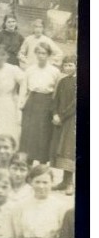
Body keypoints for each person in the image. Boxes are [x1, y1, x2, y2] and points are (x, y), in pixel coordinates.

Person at [19, 43, 61, 165]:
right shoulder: (30, 69)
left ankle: (42, 164)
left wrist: (54, 110)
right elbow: (24, 88)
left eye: (44, 53)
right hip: (32, 102)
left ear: (48, 55)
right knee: (29, 134)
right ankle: (28, 163)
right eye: (39, 53)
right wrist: (21, 105)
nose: (41, 56)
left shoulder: (55, 71)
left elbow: (57, 92)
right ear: (35, 54)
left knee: (44, 134)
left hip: (47, 103)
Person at [50, 56, 77, 192]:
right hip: (60, 120)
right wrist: (55, 113)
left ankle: (70, 183)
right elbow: (55, 100)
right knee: (60, 150)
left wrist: (62, 116)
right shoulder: (62, 81)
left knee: (69, 150)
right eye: (65, 65)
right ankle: (63, 181)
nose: (68, 68)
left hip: (71, 120)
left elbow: (75, 104)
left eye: (71, 65)